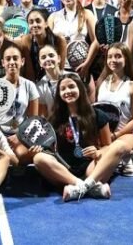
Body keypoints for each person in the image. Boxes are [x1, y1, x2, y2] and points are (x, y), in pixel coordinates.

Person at [31, 74, 117, 202]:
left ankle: (79, 188)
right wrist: (40, 150)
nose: (67, 91)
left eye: (71, 86)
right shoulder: (54, 119)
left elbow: (108, 147)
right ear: (59, 94)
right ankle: (85, 186)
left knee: (117, 148)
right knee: (38, 158)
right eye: (63, 89)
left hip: (91, 168)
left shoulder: (98, 115)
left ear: (80, 89)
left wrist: (98, 152)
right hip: (64, 170)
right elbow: (49, 150)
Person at [96, 43, 133, 176]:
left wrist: (116, 135)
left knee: (117, 146)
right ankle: (118, 158)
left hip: (127, 134)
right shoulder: (101, 83)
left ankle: (126, 156)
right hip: (105, 135)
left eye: (118, 56)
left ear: (126, 59)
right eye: (110, 57)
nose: (113, 60)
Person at [0, 45, 39, 161]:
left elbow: (33, 119)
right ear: (3, 63)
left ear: (22, 61)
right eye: (8, 59)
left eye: (15, 58)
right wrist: (0, 136)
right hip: (0, 133)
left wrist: (19, 136)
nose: (12, 62)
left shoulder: (30, 86)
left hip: (22, 134)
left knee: (22, 155)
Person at [48, 0, 98, 76]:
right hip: (59, 68)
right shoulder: (53, 17)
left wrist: (87, 64)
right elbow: (48, 44)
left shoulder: (87, 14)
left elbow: (96, 41)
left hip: (81, 68)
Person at [16, 8, 67, 82]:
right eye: (31, 22)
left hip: (56, 79)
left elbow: (60, 69)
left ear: (46, 24)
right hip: (36, 81)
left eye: (38, 21)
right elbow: (29, 71)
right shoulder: (26, 40)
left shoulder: (59, 40)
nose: (34, 25)